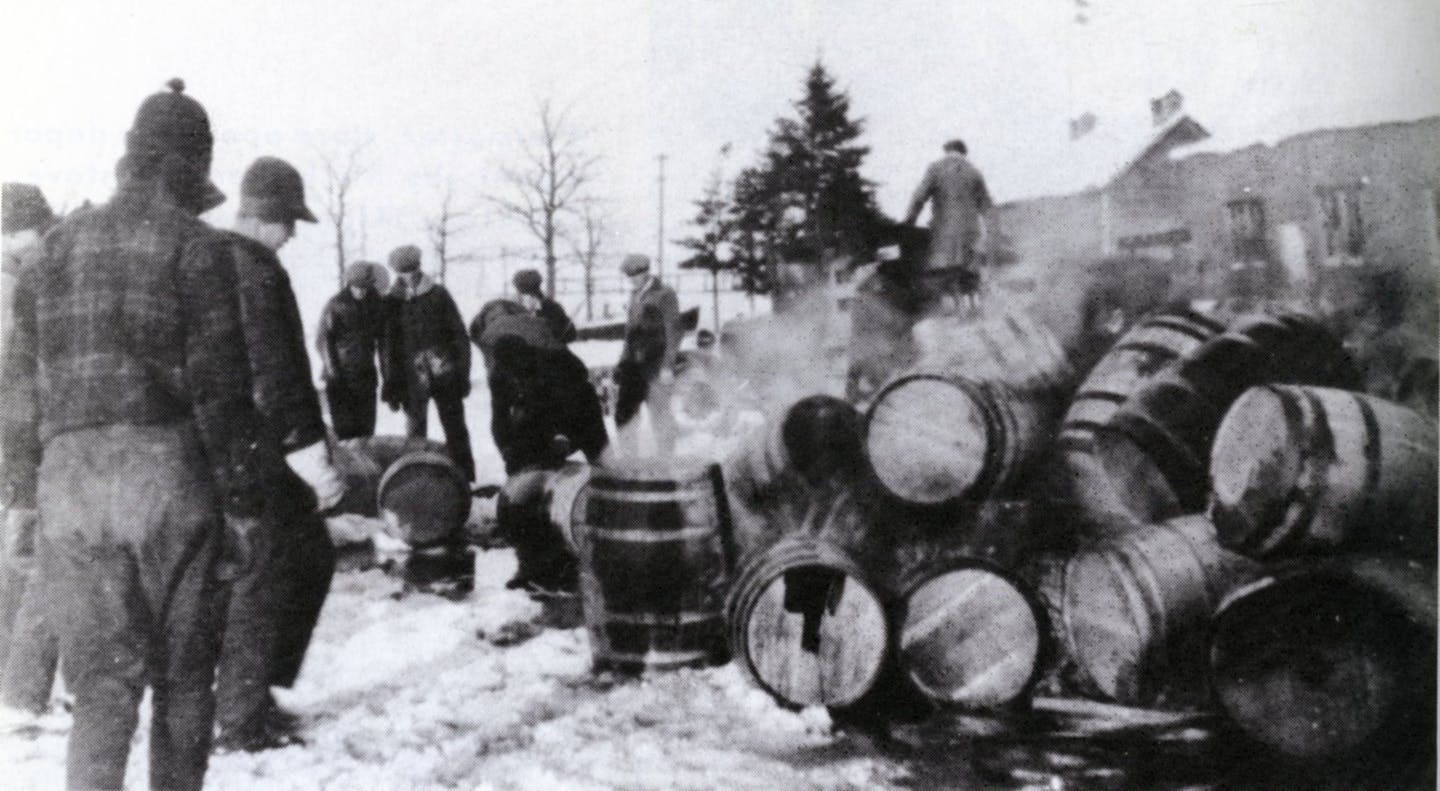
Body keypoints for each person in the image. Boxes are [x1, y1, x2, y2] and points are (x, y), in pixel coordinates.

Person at [0, 78, 263, 791]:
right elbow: (221, 391)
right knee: (182, 683)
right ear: (194, 166)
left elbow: (18, 389)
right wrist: (244, 500)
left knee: (102, 691)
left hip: (71, 484)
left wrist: (24, 493)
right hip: (167, 481)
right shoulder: (198, 248)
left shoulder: (52, 251)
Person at [213, 156, 346, 752]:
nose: (292, 234)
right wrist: (312, 457)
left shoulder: (205, 257)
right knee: (270, 568)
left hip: (215, 443)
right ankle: (241, 720)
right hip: (253, 446)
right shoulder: (256, 271)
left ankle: (253, 692)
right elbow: (277, 371)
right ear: (269, 217)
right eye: (289, 221)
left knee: (299, 554)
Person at [0, 183, 60, 718]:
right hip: (16, 449)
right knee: (31, 563)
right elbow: (16, 386)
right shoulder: (10, 288)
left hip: (14, 448)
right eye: (40, 232)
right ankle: (18, 694)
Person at [489, 334, 608, 591]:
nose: (512, 376)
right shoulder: (499, 375)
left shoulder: (552, 367)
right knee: (529, 466)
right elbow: (499, 420)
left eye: (516, 370)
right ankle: (533, 561)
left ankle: (612, 528)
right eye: (508, 371)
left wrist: (562, 438)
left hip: (579, 410)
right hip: (537, 418)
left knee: (601, 463)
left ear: (524, 358)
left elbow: (568, 409)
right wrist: (508, 452)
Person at [381, 245, 476, 481]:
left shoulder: (439, 294)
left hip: (445, 373)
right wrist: (391, 384)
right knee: (415, 437)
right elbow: (387, 348)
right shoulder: (391, 302)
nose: (409, 277)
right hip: (411, 379)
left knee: (455, 430)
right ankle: (418, 483)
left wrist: (462, 373)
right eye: (403, 273)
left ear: (419, 268)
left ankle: (465, 479)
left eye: (413, 271)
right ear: (396, 274)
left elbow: (460, 336)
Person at [903, 139, 994, 311]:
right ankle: (974, 309)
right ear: (963, 152)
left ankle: (954, 312)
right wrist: (990, 234)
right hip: (971, 233)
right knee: (969, 272)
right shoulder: (974, 172)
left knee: (946, 272)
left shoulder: (936, 168)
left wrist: (909, 222)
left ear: (947, 151)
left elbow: (919, 197)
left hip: (945, 232)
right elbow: (987, 207)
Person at [613, 253, 682, 456]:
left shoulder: (664, 294)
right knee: (624, 414)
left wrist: (668, 366)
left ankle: (666, 460)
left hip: (656, 364)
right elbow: (630, 333)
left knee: (660, 416)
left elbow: (674, 331)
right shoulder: (635, 294)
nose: (631, 281)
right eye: (629, 278)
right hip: (634, 365)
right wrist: (622, 362)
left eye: (635, 276)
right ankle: (629, 460)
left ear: (646, 273)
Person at [318, 261, 387, 439]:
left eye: (366, 287)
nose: (362, 291)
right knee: (345, 434)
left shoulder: (376, 304)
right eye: (358, 287)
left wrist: (387, 375)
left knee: (366, 434)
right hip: (341, 380)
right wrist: (333, 373)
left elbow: (384, 342)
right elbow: (323, 341)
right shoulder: (336, 304)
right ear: (350, 284)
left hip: (366, 378)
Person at [511, 268, 577, 344]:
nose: (519, 294)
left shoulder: (551, 308)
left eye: (521, 289)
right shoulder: (512, 309)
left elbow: (570, 334)